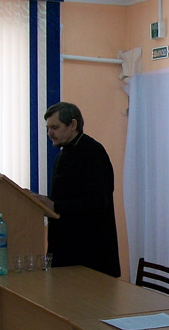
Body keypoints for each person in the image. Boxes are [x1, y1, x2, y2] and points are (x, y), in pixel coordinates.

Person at [42, 102, 120, 277]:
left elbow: (98, 202)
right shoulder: (63, 153)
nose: (50, 133)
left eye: (55, 127)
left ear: (73, 125)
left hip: (90, 253)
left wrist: (55, 206)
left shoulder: (94, 153)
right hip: (65, 249)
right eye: (48, 128)